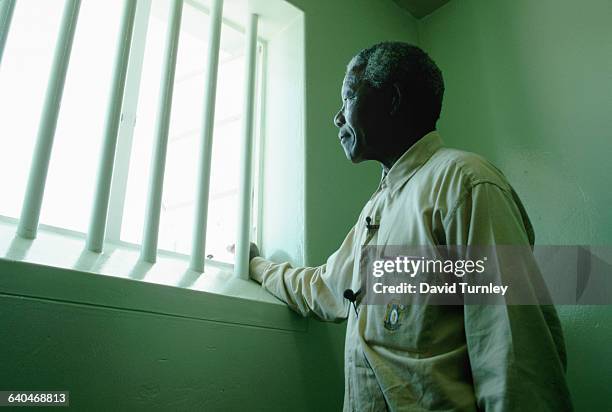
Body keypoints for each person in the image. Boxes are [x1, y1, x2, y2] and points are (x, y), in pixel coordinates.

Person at [244, 42, 572, 411]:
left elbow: (516, 356)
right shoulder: (377, 210)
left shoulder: (465, 183)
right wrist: (255, 265)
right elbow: (323, 288)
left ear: (392, 99)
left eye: (348, 97)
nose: (337, 118)